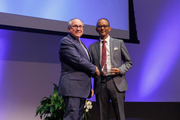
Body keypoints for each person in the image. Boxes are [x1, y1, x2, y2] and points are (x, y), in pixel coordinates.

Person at [89, 18, 133, 120]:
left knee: (120, 115)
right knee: (102, 116)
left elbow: (128, 62)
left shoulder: (119, 43)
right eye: (100, 26)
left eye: (105, 26)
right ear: (96, 29)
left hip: (116, 83)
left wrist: (120, 70)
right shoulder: (92, 47)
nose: (102, 28)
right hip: (100, 84)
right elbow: (90, 67)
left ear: (109, 28)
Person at [58, 18, 100, 120]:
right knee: (71, 117)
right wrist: (94, 68)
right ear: (69, 29)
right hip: (73, 88)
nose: (78, 28)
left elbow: (83, 65)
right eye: (75, 26)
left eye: (80, 26)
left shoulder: (80, 43)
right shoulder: (66, 41)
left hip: (80, 88)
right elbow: (78, 60)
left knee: (78, 117)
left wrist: (88, 85)